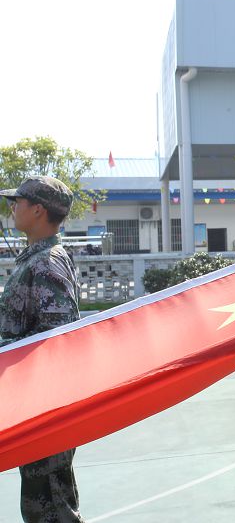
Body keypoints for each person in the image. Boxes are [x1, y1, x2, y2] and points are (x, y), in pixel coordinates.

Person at [0, 176, 85, 523]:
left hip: (46, 405)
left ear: (37, 210)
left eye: (17, 201)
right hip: (33, 401)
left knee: (51, 506)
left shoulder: (47, 262)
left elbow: (57, 337)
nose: (12, 207)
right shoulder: (35, 258)